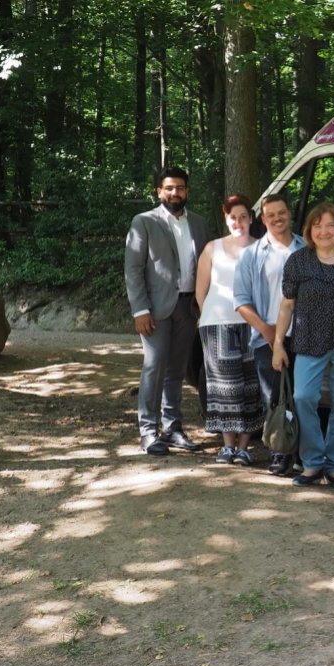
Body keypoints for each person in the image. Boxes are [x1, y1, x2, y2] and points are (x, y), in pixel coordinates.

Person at [272, 202, 334, 490]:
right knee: (303, 398)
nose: (324, 231)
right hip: (309, 341)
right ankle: (312, 462)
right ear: (309, 231)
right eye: (317, 226)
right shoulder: (299, 261)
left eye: (329, 225)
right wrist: (278, 344)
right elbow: (287, 306)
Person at [125, 167, 210, 456]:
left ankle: (173, 428)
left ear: (188, 191)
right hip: (155, 310)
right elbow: (133, 269)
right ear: (159, 191)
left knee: (177, 369)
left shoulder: (199, 224)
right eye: (169, 188)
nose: (175, 193)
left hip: (189, 307)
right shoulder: (144, 222)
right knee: (154, 367)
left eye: (181, 188)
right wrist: (140, 310)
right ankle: (148, 431)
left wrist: (203, 304)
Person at [234, 194, 306, 475]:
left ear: (289, 214)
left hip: (304, 334)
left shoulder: (307, 248)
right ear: (262, 220)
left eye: (281, 212)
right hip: (267, 337)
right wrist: (267, 330)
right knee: (273, 398)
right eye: (270, 215)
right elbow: (240, 300)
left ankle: (301, 453)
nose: (277, 218)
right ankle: (279, 452)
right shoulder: (251, 255)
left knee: (302, 396)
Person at [194, 195, 265, 465]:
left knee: (250, 385)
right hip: (216, 325)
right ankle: (227, 446)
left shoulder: (261, 248)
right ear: (226, 219)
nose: (239, 222)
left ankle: (245, 447)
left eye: (244, 216)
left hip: (252, 325)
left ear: (251, 218)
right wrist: (207, 315)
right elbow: (201, 291)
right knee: (224, 387)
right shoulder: (212, 248)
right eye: (233, 217)